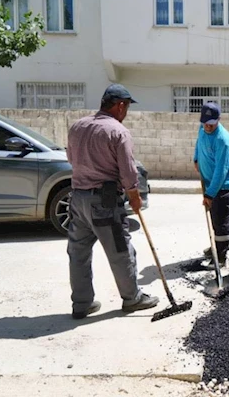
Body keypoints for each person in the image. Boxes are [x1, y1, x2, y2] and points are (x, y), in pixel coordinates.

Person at [66, 84, 159, 319]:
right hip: (105, 201)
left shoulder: (78, 126)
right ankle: (132, 298)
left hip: (77, 198)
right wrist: (135, 198)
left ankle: (81, 303)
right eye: (126, 107)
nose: (126, 112)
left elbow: (71, 158)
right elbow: (129, 173)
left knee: (78, 252)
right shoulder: (117, 132)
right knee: (120, 250)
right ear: (120, 105)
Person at [194, 102, 229, 266]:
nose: (208, 127)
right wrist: (196, 158)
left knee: (222, 222)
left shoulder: (223, 139)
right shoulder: (202, 128)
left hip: (223, 186)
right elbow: (198, 143)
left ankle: (220, 257)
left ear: (218, 120)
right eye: (205, 123)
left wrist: (210, 194)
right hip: (209, 183)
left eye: (212, 124)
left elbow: (222, 170)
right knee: (213, 219)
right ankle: (215, 246)